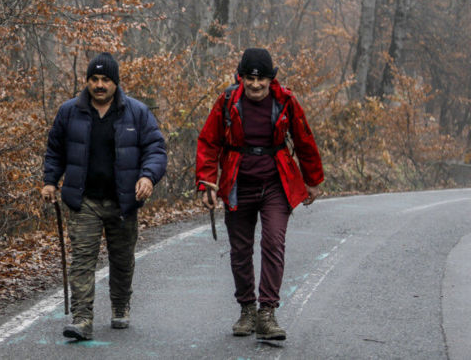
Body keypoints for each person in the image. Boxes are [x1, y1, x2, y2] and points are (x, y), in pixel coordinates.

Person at [196, 48, 324, 340]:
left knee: (273, 242)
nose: (255, 85)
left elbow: (304, 138)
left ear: (271, 79)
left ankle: (267, 312)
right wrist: (206, 182)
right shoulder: (227, 101)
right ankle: (247, 309)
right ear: (241, 77)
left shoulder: (285, 101)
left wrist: (313, 179)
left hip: (275, 183)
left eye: (261, 79)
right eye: (250, 79)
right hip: (237, 183)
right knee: (240, 250)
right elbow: (208, 141)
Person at [41, 52, 168, 341]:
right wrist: (50, 181)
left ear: (116, 83)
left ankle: (120, 304)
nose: (99, 85)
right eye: (94, 79)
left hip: (123, 201)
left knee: (121, 260)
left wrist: (148, 176)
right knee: (82, 260)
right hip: (83, 200)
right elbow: (55, 150)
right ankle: (82, 318)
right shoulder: (69, 112)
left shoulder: (136, 112)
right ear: (87, 81)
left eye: (106, 80)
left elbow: (155, 149)